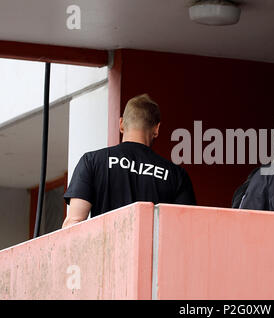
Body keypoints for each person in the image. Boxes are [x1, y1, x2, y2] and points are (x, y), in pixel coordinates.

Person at [62, 94, 196, 228]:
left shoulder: (92, 161)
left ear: (121, 124)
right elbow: (186, 228)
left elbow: (74, 223)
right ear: (156, 129)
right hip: (153, 248)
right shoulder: (176, 175)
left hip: (107, 248)